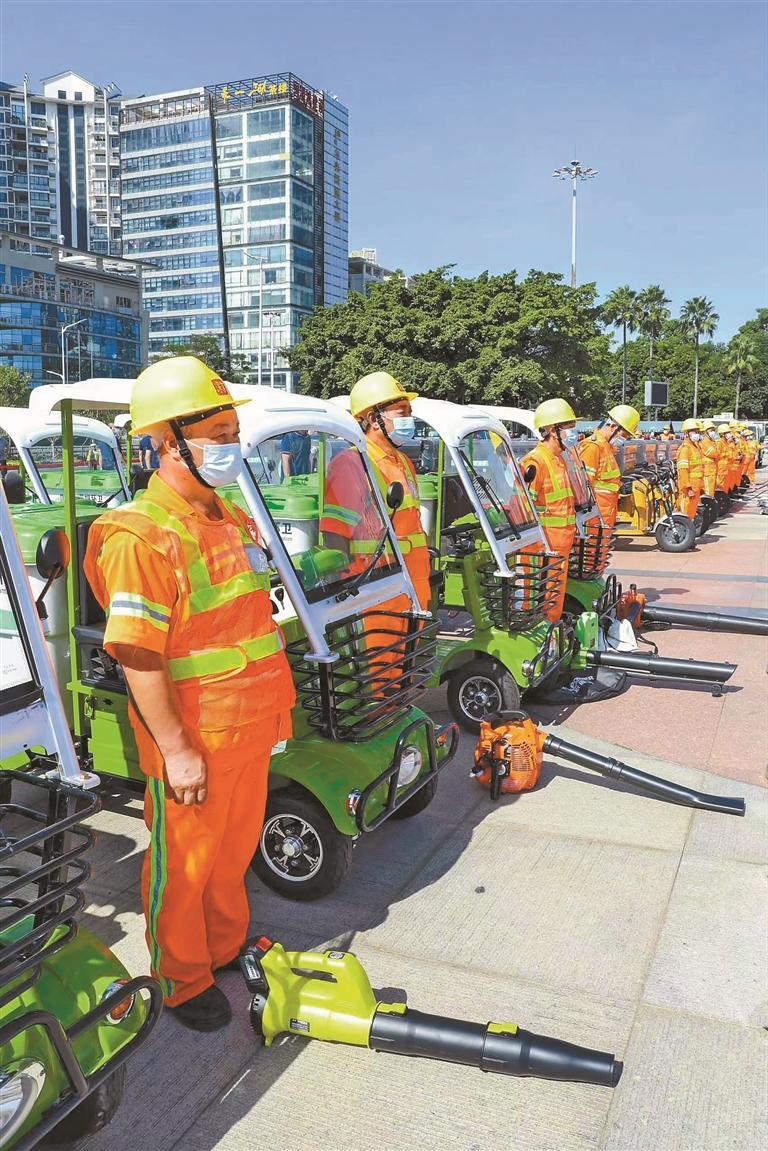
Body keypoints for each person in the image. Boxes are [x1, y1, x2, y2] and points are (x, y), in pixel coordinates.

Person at [84, 356, 296, 1032]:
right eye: (219, 434)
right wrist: (176, 752)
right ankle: (180, 978)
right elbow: (137, 655)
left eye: (234, 432)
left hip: (248, 728)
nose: (233, 446)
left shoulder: (226, 514)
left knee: (231, 857)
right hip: (195, 741)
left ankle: (222, 948)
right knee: (184, 868)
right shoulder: (140, 535)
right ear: (169, 442)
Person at [326, 371, 430, 612]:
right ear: (374, 419)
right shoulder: (352, 463)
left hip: (412, 587)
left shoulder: (403, 461)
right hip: (376, 592)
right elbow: (335, 534)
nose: (409, 419)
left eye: (410, 412)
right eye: (402, 413)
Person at [521, 398, 578, 622]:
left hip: (559, 544)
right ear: (553, 430)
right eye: (568, 427)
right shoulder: (536, 461)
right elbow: (524, 507)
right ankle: (537, 627)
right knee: (540, 594)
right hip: (543, 547)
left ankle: (551, 631)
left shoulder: (559, 459)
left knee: (554, 595)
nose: (573, 432)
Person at [577, 404, 640, 530]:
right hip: (595, 515)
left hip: (605, 511)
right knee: (595, 543)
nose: (625, 439)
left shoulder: (607, 448)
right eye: (624, 435)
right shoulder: (593, 446)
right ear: (613, 427)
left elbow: (604, 479)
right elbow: (584, 484)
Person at [676, 418, 704, 520]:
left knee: (691, 512)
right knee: (685, 512)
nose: (697, 434)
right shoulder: (685, 449)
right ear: (686, 433)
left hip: (696, 486)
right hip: (689, 489)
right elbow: (683, 470)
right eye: (694, 431)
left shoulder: (695, 447)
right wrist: (688, 488)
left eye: (697, 431)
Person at [698, 420, 721, 500]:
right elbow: (714, 453)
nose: (713, 432)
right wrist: (718, 443)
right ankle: (709, 505)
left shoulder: (711, 441)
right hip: (707, 471)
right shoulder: (705, 441)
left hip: (711, 470)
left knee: (712, 491)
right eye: (711, 430)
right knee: (708, 492)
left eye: (713, 430)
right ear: (705, 432)